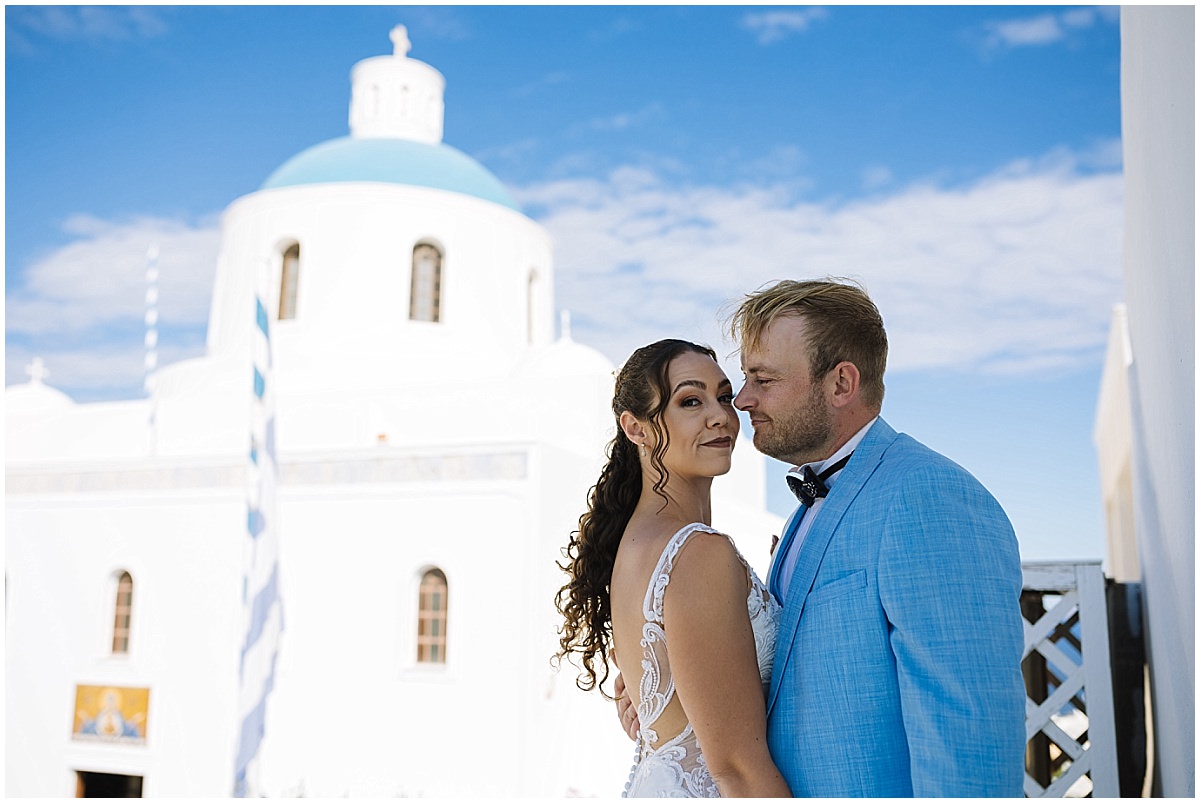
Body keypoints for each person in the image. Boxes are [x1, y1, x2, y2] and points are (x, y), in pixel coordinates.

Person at [618, 278, 1027, 797]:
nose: (741, 402)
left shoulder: (928, 495)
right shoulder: (804, 513)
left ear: (840, 384)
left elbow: (969, 732)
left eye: (762, 380)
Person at [555, 339, 791, 798]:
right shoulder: (697, 552)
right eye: (690, 401)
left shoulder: (634, 545)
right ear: (636, 428)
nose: (720, 415)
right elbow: (738, 769)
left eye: (724, 396)